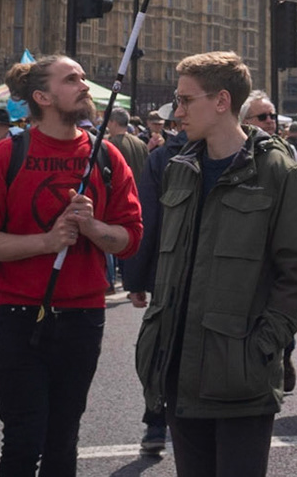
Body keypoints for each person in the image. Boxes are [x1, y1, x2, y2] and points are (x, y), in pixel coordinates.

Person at [134, 52, 297, 477]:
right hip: (178, 366)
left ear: (220, 101)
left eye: (184, 100)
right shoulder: (179, 168)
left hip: (239, 374)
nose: (176, 113)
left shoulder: (278, 171)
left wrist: (260, 348)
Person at [0, 55, 143, 477]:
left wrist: (93, 227)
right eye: (71, 79)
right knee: (23, 440)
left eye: (83, 77)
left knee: (64, 439)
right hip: (20, 314)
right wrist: (46, 242)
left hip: (84, 315)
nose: (84, 85)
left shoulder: (107, 157)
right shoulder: (5, 157)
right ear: (42, 97)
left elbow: (131, 237)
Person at [124, 106, 190, 459]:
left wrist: (137, 277)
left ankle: (157, 422)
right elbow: (145, 216)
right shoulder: (161, 158)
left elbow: (145, 216)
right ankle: (156, 420)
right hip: (172, 270)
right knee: (165, 348)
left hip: (171, 271)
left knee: (165, 347)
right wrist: (136, 276)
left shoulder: (162, 157)